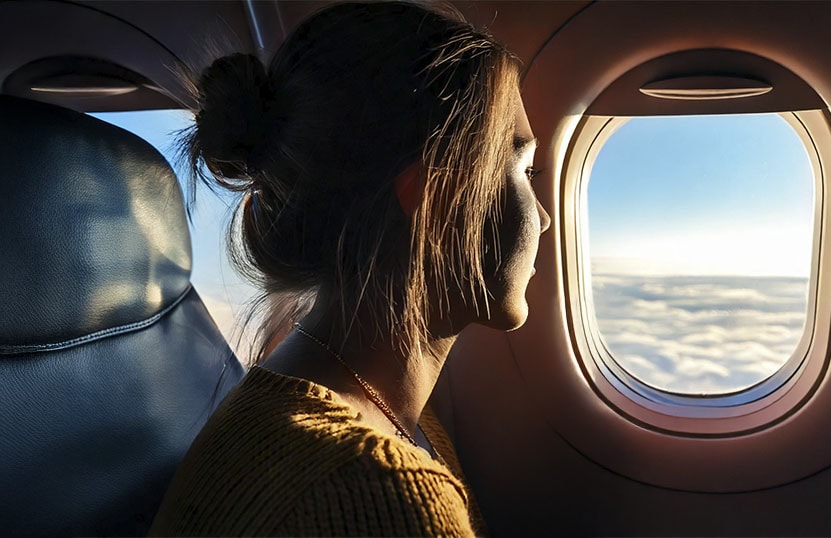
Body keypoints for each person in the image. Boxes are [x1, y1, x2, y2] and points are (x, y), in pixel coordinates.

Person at [148, 1, 550, 536]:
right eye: (524, 169)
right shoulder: (373, 489)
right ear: (438, 204)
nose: (544, 218)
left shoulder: (379, 416)